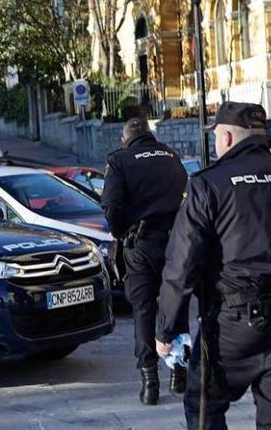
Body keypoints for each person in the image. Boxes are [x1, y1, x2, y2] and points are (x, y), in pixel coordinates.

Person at [156, 102, 271, 430]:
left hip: (230, 327)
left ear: (226, 137)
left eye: (216, 137)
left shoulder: (208, 184)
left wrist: (167, 329)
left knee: (203, 409)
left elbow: (181, 264)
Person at [102, 117, 189, 405]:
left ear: (125, 139)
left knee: (143, 310)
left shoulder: (120, 161)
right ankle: (179, 372)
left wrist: (119, 230)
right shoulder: (171, 155)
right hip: (176, 242)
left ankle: (150, 381)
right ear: (149, 136)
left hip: (140, 244)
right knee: (175, 304)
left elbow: (111, 205)